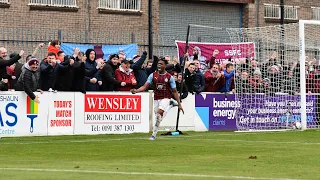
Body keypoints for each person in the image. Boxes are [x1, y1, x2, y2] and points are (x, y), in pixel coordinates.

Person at [130, 59, 184, 140]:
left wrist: (179, 104)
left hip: (166, 97)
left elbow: (175, 91)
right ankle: (170, 106)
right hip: (156, 97)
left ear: (165, 66)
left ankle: (153, 135)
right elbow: (145, 86)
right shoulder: (152, 75)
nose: (159, 65)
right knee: (158, 117)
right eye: (158, 64)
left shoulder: (170, 77)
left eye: (161, 64)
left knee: (159, 113)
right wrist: (136, 91)